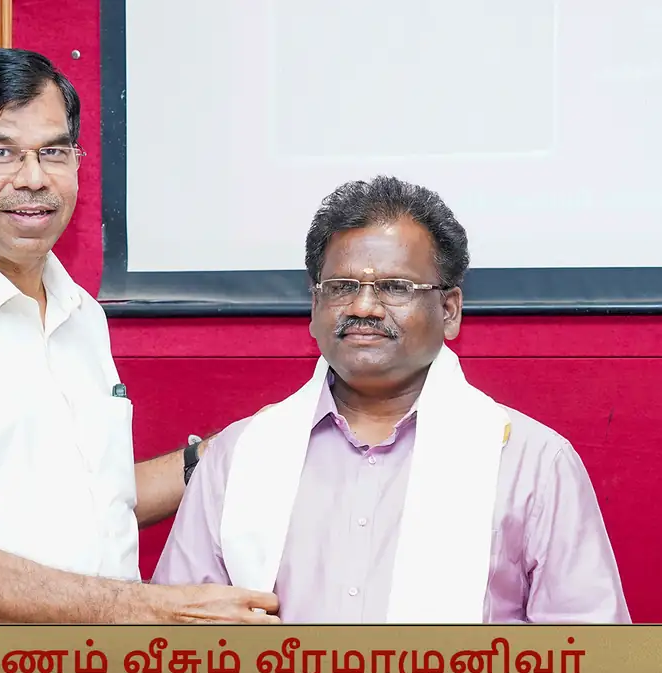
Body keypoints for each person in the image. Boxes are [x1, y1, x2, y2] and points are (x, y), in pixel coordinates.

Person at [0, 48, 278, 624]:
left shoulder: (81, 314)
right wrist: (156, 610)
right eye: (0, 152)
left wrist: (211, 460)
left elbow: (94, 503)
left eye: (54, 152)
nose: (34, 178)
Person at [151, 175, 630, 624]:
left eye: (395, 287)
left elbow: (590, 661)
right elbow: (173, 643)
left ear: (449, 310)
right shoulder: (240, 457)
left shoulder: (532, 463)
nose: (363, 307)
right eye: (341, 288)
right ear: (315, 307)